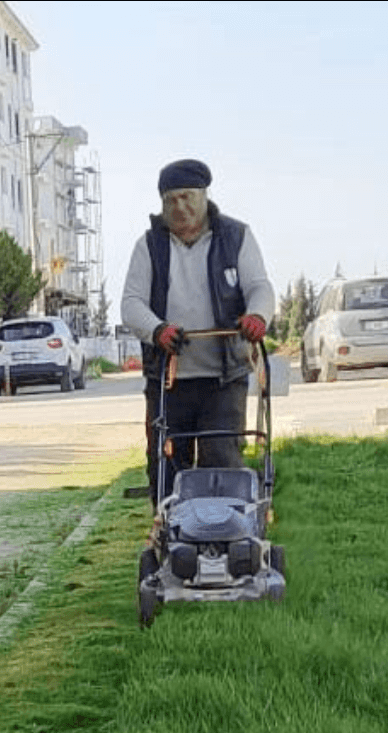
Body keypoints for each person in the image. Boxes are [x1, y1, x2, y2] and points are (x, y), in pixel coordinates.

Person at [120, 159, 275, 504]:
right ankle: (170, 538)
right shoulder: (149, 247)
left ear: (204, 196)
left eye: (187, 197)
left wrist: (257, 316)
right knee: (166, 465)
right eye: (171, 200)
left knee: (221, 459)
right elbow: (131, 304)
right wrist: (157, 330)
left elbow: (260, 288)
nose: (180, 207)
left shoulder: (236, 237)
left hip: (223, 376)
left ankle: (223, 533)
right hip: (169, 380)